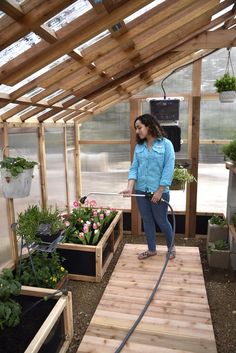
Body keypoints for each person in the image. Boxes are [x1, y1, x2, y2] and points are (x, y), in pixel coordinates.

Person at [121, 113, 175, 260]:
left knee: (162, 221)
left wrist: (160, 191)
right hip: (141, 191)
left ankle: (171, 248)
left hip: (159, 192)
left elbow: (168, 169)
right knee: (147, 220)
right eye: (136, 129)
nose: (137, 131)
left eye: (139, 128)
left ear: (149, 126)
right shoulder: (139, 147)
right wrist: (129, 186)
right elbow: (134, 168)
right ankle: (151, 250)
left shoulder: (166, 145)